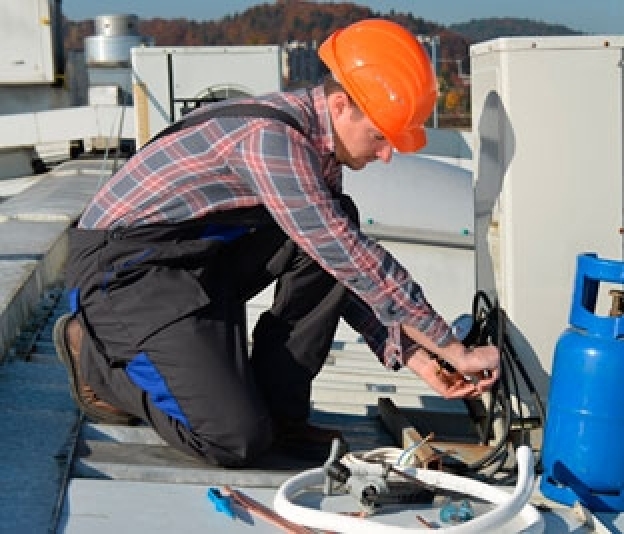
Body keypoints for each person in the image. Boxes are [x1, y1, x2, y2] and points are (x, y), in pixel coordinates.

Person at [53, 19, 500, 468]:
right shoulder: (273, 141)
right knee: (234, 439)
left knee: (335, 220)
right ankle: (93, 358)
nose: (386, 154)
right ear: (341, 105)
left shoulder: (316, 146)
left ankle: (278, 410)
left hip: (189, 262)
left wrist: (418, 356)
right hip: (125, 274)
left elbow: (335, 263)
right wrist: (453, 348)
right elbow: (358, 262)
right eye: (381, 135)